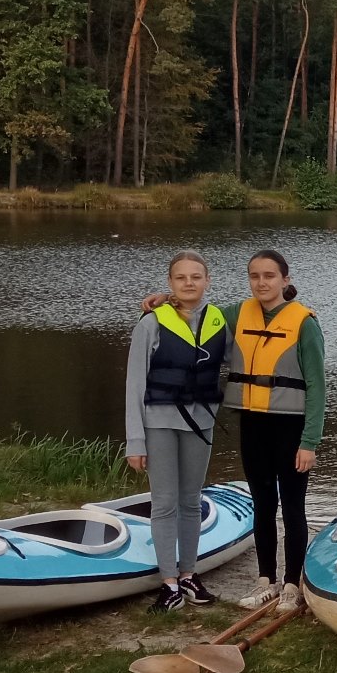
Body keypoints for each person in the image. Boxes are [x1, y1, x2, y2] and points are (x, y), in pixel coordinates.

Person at [124, 250, 229, 610]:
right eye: (181, 278)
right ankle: (168, 583)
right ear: (170, 284)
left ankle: (188, 575)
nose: (189, 283)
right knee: (165, 503)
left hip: (201, 424)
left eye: (196, 277)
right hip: (159, 423)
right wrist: (135, 441)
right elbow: (135, 384)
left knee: (190, 501)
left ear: (207, 281)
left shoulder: (219, 320)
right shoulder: (151, 323)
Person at [222, 251, 326, 611]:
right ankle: (265, 579)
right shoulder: (236, 314)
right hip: (253, 423)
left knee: (293, 507)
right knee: (263, 505)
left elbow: (317, 386)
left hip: (291, 427)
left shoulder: (304, 323)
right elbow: (194, 318)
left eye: (269, 276)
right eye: (255, 276)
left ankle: (291, 584)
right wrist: (164, 302)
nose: (261, 283)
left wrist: (309, 442)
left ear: (284, 279)